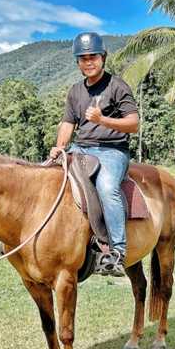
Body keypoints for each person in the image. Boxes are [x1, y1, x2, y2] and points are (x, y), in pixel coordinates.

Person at [50, 32, 139, 277]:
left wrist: (104, 120)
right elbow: (68, 124)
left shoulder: (117, 86)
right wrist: (60, 146)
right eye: (83, 58)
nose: (89, 62)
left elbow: (133, 123)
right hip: (80, 149)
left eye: (93, 57)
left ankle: (117, 252)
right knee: (45, 177)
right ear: (78, 62)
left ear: (103, 57)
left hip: (112, 150)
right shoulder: (75, 91)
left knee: (107, 187)